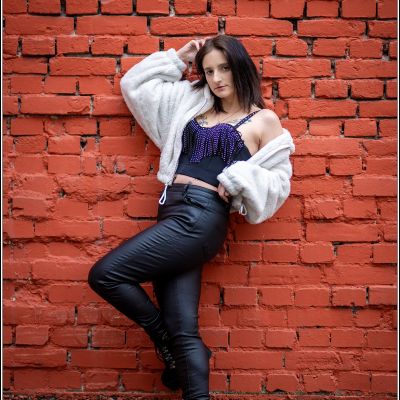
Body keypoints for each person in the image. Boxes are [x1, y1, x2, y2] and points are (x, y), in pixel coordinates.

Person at [88, 34, 294, 400]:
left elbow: (279, 181)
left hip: (201, 218)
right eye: (209, 71)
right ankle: (180, 355)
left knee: (105, 275)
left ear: (240, 67)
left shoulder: (263, 120)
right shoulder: (194, 101)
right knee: (185, 331)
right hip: (171, 212)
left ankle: (163, 340)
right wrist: (177, 59)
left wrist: (239, 178)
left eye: (224, 68)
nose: (216, 78)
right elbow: (134, 86)